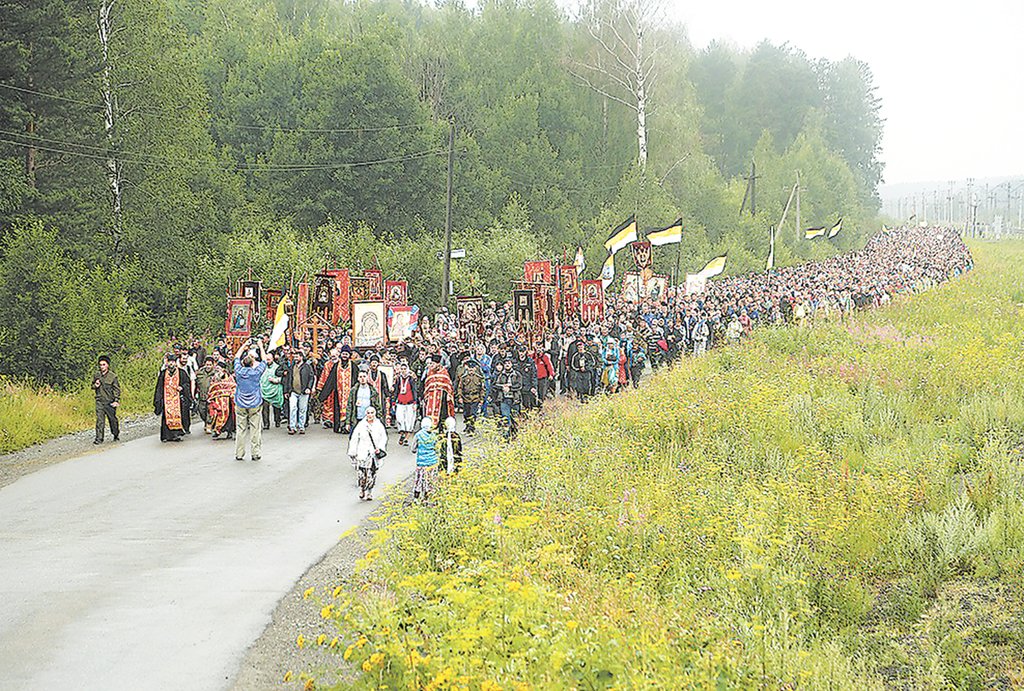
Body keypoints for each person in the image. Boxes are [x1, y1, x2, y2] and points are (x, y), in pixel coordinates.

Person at [234, 339, 267, 461]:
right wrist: (261, 346)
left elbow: (236, 357)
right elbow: (264, 360)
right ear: (253, 363)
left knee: (241, 429)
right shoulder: (256, 372)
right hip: (255, 403)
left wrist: (244, 346)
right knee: (255, 428)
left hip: (240, 402)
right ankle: (255, 452)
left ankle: (239, 453)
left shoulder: (238, 371)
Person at [348, 406, 388, 501]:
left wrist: (380, 448)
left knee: (372, 473)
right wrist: (353, 451)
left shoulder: (379, 425)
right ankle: (362, 489)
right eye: (368, 413)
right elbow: (354, 438)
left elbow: (384, 437)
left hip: (374, 453)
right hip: (362, 452)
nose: (370, 415)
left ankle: (370, 492)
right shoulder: (361, 425)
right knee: (362, 474)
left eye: (372, 413)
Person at [154, 353, 190, 442]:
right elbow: (159, 387)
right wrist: (158, 399)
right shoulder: (163, 374)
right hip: (166, 399)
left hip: (177, 398)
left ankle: (176, 434)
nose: (171, 364)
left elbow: (187, 383)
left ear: (175, 363)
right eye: (170, 362)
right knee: (166, 417)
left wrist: (182, 387)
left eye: (173, 362)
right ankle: (166, 436)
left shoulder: (182, 373)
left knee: (177, 416)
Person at [93, 355, 121, 444]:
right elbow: (92, 386)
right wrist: (95, 385)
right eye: (100, 365)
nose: (102, 367)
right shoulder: (97, 375)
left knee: (112, 420)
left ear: (107, 365)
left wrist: (116, 400)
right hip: (99, 401)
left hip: (110, 402)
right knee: (100, 421)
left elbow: (116, 389)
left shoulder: (113, 376)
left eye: (103, 365)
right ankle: (99, 438)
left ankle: (115, 434)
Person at [411, 416, 439, 503]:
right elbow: (437, 447)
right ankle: (426, 498)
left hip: (421, 462)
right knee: (429, 480)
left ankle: (416, 497)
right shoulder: (434, 435)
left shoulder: (418, 435)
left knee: (419, 479)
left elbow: (413, 449)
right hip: (432, 461)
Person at [285, 350, 314, 435]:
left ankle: (301, 427)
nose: (295, 358)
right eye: (294, 357)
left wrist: (309, 388)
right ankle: (292, 427)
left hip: (303, 391)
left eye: (297, 356)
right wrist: (287, 391)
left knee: (302, 409)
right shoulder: (292, 367)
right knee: (293, 408)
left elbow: (311, 377)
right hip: (293, 391)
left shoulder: (307, 367)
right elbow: (288, 379)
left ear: (301, 357)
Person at [346, 369, 382, 436]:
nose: (362, 378)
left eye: (364, 376)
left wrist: (379, 419)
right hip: (356, 419)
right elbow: (349, 406)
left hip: (369, 419)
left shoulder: (373, 391)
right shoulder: (354, 390)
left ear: (367, 377)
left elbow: (378, 406)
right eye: (360, 377)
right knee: (354, 439)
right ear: (358, 378)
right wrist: (347, 422)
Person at [493, 359, 522, 440]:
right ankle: (506, 435)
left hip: (515, 399)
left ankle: (514, 434)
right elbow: (495, 385)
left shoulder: (517, 374)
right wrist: (503, 387)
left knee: (514, 418)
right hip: (504, 399)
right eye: (505, 363)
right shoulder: (500, 375)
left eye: (509, 363)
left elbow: (519, 385)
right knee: (505, 418)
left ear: (512, 364)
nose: (507, 365)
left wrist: (510, 388)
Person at [391, 361, 419, 446]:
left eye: (404, 369)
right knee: (400, 419)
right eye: (402, 369)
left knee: (409, 421)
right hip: (400, 402)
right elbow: (396, 391)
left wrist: (415, 402)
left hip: (410, 403)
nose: (403, 371)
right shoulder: (398, 379)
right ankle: (402, 434)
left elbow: (414, 390)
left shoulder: (411, 379)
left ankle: (406, 439)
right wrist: (393, 402)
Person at [456, 356, 485, 435]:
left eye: (472, 369)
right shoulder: (464, 377)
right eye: (469, 369)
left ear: (475, 369)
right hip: (466, 398)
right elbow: (460, 388)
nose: (471, 370)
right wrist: (460, 397)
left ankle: (471, 428)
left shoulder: (479, 378)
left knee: (473, 413)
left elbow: (482, 389)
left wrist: (481, 398)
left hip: (475, 398)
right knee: (466, 413)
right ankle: (467, 426)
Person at [422, 359, 455, 424]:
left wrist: (448, 395)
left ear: (438, 364)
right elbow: (427, 384)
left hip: (442, 396)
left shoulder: (444, 372)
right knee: (430, 413)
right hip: (431, 396)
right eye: (431, 364)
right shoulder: (430, 372)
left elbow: (448, 385)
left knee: (442, 413)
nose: (431, 366)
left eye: (433, 364)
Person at [208, 369, 236, 439]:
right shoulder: (215, 378)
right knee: (218, 415)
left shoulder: (230, 378)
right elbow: (212, 388)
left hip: (228, 401)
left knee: (229, 417)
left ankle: (230, 431)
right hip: (218, 401)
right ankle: (218, 430)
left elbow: (233, 388)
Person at [260, 351, 285, 430]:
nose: (268, 361)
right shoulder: (262, 367)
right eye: (266, 359)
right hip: (264, 390)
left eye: (269, 359)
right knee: (265, 408)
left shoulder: (278, 367)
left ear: (273, 359)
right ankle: (266, 424)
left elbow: (283, 378)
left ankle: (277, 421)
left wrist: (276, 380)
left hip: (275, 390)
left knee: (276, 407)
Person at [194, 357, 215, 433]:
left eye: (210, 365)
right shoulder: (200, 373)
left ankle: (209, 425)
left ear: (213, 365)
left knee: (210, 412)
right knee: (202, 411)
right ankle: (206, 422)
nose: (208, 366)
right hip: (201, 396)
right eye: (207, 364)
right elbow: (195, 384)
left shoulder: (216, 374)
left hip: (211, 397)